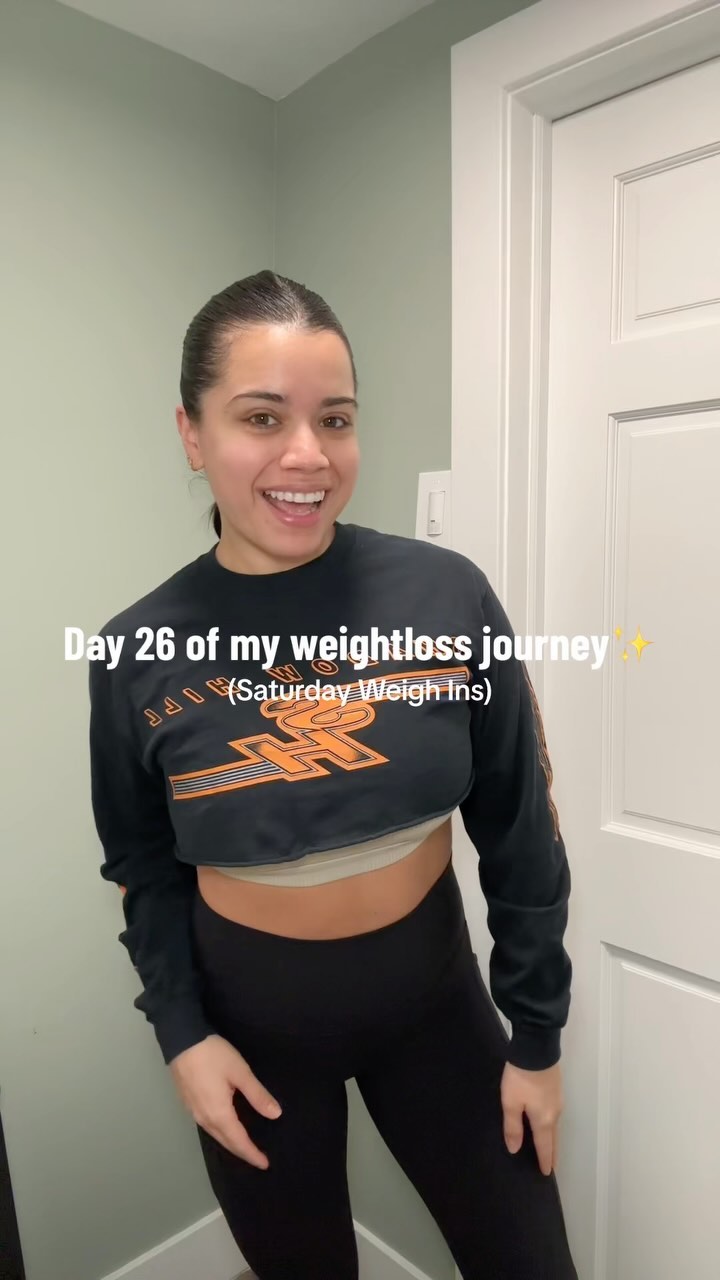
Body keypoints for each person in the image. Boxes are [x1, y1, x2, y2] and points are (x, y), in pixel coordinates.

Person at [88, 270, 579, 1280]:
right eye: (262, 416)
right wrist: (183, 1035)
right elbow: (141, 863)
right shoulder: (134, 653)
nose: (308, 453)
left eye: (336, 418)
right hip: (251, 1031)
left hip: (437, 1009)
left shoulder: (446, 595)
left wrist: (537, 1033)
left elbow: (519, 819)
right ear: (192, 433)